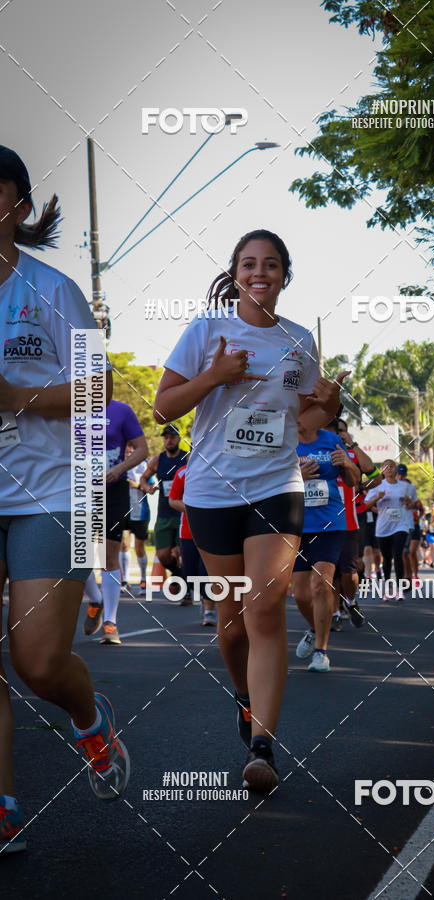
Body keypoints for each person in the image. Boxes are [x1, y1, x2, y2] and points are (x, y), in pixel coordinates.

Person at [153, 229, 344, 791]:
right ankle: (244, 695)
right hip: (212, 494)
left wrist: (329, 405)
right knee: (232, 625)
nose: (260, 272)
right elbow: (162, 409)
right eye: (249, 264)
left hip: (276, 488)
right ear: (235, 273)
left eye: (271, 264)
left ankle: (262, 746)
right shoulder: (206, 330)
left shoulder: (299, 340)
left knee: (264, 611)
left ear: (285, 275)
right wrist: (214, 377)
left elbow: (306, 420)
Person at [0, 147, 130, 852]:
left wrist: (15, 396)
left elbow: (98, 388)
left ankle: (89, 718)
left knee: (39, 662)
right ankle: (3, 806)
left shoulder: (50, 290)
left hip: (54, 491)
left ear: (19, 207)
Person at [293, 421, 360, 665]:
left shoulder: (331, 439)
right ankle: (314, 628)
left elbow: (353, 480)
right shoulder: (283, 439)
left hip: (329, 522)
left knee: (321, 584)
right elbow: (267, 483)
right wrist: (296, 478)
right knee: (300, 594)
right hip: (295, 525)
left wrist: (348, 464)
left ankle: (321, 652)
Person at [83, 399, 148, 644]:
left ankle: (110, 623)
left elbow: (142, 449)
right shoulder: (69, 406)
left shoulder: (122, 410)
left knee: (108, 555)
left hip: (113, 490)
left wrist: (120, 468)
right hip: (79, 490)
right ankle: (96, 599)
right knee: (79, 555)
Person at [325, 416, 373, 630]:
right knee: (331, 573)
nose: (337, 433)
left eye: (341, 430)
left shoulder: (349, 453)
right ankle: (335, 613)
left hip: (348, 522)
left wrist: (352, 445)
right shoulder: (313, 453)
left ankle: (351, 602)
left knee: (349, 572)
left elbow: (372, 472)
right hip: (322, 523)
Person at [139, 425, 188, 600]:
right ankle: (179, 574)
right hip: (164, 513)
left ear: (178, 438)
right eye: (166, 437)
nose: (169, 440)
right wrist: (147, 488)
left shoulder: (187, 458)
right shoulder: (157, 460)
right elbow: (143, 478)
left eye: (172, 437)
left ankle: (186, 591)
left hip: (183, 512)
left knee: (183, 552)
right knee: (163, 555)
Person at [168, 465, 217, 625]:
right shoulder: (183, 472)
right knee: (190, 574)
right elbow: (172, 500)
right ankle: (204, 597)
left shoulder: (218, 469)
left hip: (213, 530)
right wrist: (194, 509)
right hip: (188, 532)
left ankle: (209, 610)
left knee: (206, 571)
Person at [364, 459, 416, 601]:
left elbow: (413, 505)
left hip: (401, 525)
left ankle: (399, 589)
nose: (389, 469)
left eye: (392, 466)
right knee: (386, 558)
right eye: (386, 467)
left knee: (398, 554)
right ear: (382, 470)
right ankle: (388, 589)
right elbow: (366, 505)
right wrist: (377, 498)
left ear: (396, 469)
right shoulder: (377, 486)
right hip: (383, 527)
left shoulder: (405, 486)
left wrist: (409, 503)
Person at [121, 441, 152, 596]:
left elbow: (151, 488)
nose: (127, 453)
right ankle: (125, 581)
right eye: (126, 451)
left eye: (130, 451)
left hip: (140, 511)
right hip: (122, 510)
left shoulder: (144, 465)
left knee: (139, 547)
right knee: (123, 545)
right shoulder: (118, 464)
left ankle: (143, 579)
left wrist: (136, 485)